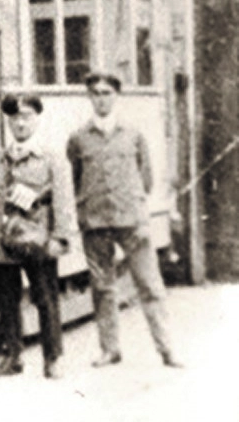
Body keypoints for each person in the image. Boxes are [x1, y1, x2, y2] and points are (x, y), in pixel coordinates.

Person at [66, 72, 181, 368]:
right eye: (96, 93)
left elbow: (146, 179)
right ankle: (110, 349)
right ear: (89, 98)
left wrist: (136, 210)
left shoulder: (133, 135)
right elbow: (76, 178)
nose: (102, 99)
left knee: (150, 285)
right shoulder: (79, 138)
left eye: (107, 93)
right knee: (102, 288)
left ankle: (167, 348)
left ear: (116, 96)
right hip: (95, 222)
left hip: (132, 221)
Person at [0, 94, 76, 378]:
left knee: (45, 298)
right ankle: (12, 356)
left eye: (27, 117)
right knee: (6, 300)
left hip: (38, 239)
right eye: (14, 118)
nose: (20, 123)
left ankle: (53, 358)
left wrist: (60, 238)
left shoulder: (51, 158)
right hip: (4, 241)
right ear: (7, 121)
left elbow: (64, 201)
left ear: (37, 119)